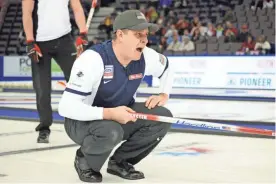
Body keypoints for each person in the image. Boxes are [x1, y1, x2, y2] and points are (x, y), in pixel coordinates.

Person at [58, 10, 174, 183]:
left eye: (146, 35)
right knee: (112, 131)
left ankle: (120, 162)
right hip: (82, 122)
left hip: (120, 115)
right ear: (120, 35)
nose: (144, 39)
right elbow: (66, 108)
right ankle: (85, 159)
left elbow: (167, 68)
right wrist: (110, 114)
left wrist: (163, 93)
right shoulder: (94, 60)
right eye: (137, 34)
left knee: (162, 117)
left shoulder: (146, 56)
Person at [22, 0, 88, 143]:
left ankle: (83, 122)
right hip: (40, 43)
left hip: (64, 39)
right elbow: (26, 13)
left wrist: (82, 33)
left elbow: (77, 8)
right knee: (42, 90)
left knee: (78, 82)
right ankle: (44, 128)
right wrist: (30, 42)